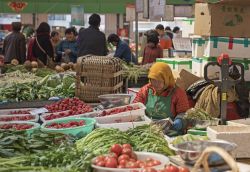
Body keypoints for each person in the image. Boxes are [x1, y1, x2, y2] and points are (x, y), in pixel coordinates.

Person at [133, 62, 190, 133]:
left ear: (166, 79)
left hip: (170, 132)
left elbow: (184, 113)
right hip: (149, 132)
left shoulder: (178, 93)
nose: (156, 84)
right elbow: (135, 107)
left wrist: (180, 120)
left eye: (159, 81)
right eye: (153, 80)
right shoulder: (145, 90)